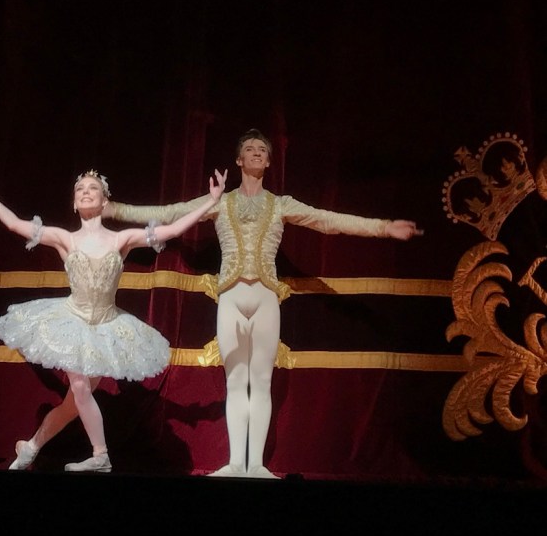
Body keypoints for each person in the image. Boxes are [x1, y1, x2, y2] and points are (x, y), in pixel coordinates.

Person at [103, 128, 423, 478]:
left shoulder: (282, 204)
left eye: (262, 150)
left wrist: (383, 228)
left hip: (266, 298)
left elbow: (328, 221)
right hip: (231, 298)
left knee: (262, 380)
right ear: (239, 160)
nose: (256, 153)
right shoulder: (219, 202)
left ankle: (255, 465)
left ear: (269, 162)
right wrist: (114, 208)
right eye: (250, 149)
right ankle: (235, 463)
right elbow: (169, 213)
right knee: (236, 381)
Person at [0, 159, 227, 473]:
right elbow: (14, 224)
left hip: (106, 328)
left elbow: (170, 229)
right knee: (79, 389)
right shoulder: (66, 238)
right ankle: (100, 455)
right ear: (75, 203)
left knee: (72, 404)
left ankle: (31, 447)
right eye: (80, 190)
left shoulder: (121, 239)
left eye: (93, 189)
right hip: (72, 321)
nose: (86, 193)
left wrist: (211, 201)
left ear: (105, 201)